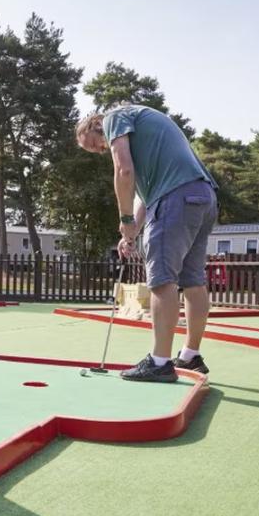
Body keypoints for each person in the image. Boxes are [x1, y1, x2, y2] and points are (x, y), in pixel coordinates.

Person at [76, 105, 218, 381]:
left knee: (162, 280)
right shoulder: (146, 138)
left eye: (95, 144)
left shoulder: (115, 118)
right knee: (193, 281)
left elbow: (124, 171)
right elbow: (147, 194)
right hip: (202, 196)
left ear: (95, 126)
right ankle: (190, 356)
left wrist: (124, 216)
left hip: (175, 198)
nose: (100, 149)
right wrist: (130, 232)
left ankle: (159, 362)